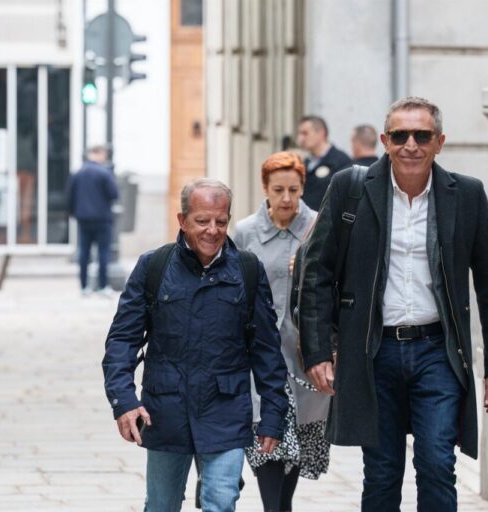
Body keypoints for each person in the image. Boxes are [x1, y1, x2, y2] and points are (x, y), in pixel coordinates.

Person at [297, 97, 488, 512]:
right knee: (381, 472)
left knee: (436, 462)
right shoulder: (351, 189)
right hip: (373, 354)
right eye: (400, 135)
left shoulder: (466, 195)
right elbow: (317, 272)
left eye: (422, 135)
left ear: (439, 142)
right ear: (385, 140)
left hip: (438, 353)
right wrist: (319, 351)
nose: (410, 144)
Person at [102, 178, 289, 512]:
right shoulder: (154, 267)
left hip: (226, 410)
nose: (212, 230)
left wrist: (275, 414)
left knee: (221, 500)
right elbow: (122, 340)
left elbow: (266, 350)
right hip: (165, 410)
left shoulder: (247, 270)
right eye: (202, 221)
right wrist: (123, 401)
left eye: (221, 221)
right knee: (161, 504)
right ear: (182, 220)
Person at [235, 151, 331, 512]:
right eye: (278, 190)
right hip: (259, 352)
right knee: (267, 436)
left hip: (304, 353)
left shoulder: (319, 226)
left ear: (303, 188)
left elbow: (334, 285)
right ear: (265, 189)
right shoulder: (245, 231)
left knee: (298, 443)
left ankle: (281, 506)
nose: (287, 199)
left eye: (294, 189)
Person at [66, 145, 119, 296]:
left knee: (84, 252)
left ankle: (84, 287)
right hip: (102, 218)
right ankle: (102, 286)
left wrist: (73, 213)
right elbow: (114, 194)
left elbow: (69, 196)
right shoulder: (105, 173)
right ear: (100, 154)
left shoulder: (78, 172)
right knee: (103, 252)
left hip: (83, 218)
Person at [296, 115, 352, 210]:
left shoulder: (341, 161)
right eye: (299, 133)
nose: (300, 138)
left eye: (305, 133)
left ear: (321, 133)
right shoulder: (305, 162)